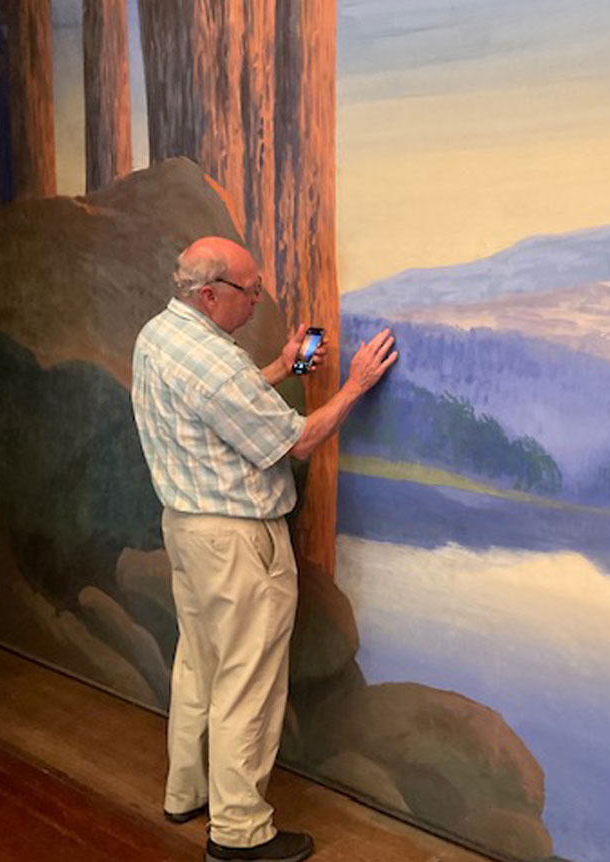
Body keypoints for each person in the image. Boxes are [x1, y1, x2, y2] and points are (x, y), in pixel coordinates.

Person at [131, 236, 397, 862]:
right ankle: (239, 833)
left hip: (187, 531)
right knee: (247, 683)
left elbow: (221, 405)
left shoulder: (159, 336)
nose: (257, 300)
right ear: (210, 294)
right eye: (250, 291)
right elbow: (297, 441)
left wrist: (283, 368)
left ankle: (187, 791)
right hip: (237, 542)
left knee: (199, 663)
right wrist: (355, 385)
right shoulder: (217, 363)